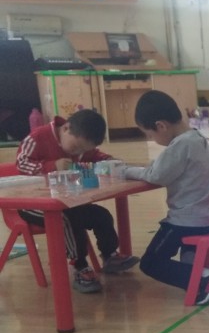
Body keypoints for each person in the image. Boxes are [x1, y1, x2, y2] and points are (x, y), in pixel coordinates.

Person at [117, 91, 209, 306]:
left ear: (161, 126)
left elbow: (156, 175)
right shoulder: (196, 138)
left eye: (150, 134)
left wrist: (125, 170)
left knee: (150, 263)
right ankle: (199, 279)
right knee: (186, 253)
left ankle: (206, 278)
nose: (152, 140)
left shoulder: (181, 144)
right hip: (206, 218)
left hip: (186, 221)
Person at [15, 109, 139, 293]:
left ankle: (110, 256)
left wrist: (110, 161)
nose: (78, 153)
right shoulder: (37, 138)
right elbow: (21, 164)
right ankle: (80, 267)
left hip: (67, 202)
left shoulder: (81, 145)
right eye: (75, 148)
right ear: (66, 128)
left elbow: (95, 156)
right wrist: (51, 166)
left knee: (101, 215)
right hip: (31, 204)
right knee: (67, 220)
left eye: (83, 150)